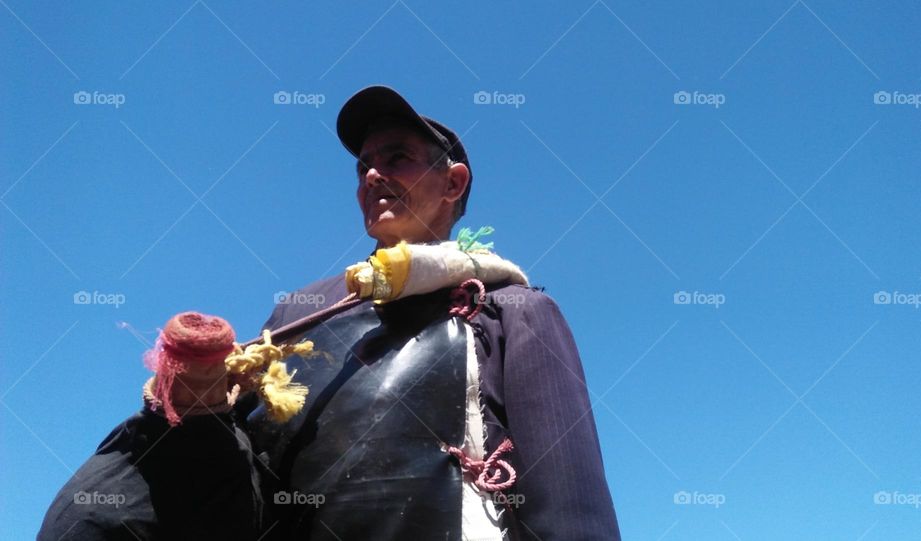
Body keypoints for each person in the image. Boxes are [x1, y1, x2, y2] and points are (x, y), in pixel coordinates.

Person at [38, 86, 620, 540]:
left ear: (453, 183)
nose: (372, 173)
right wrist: (198, 406)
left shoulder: (511, 308)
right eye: (364, 164)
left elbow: (570, 499)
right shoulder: (302, 313)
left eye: (399, 157)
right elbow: (243, 489)